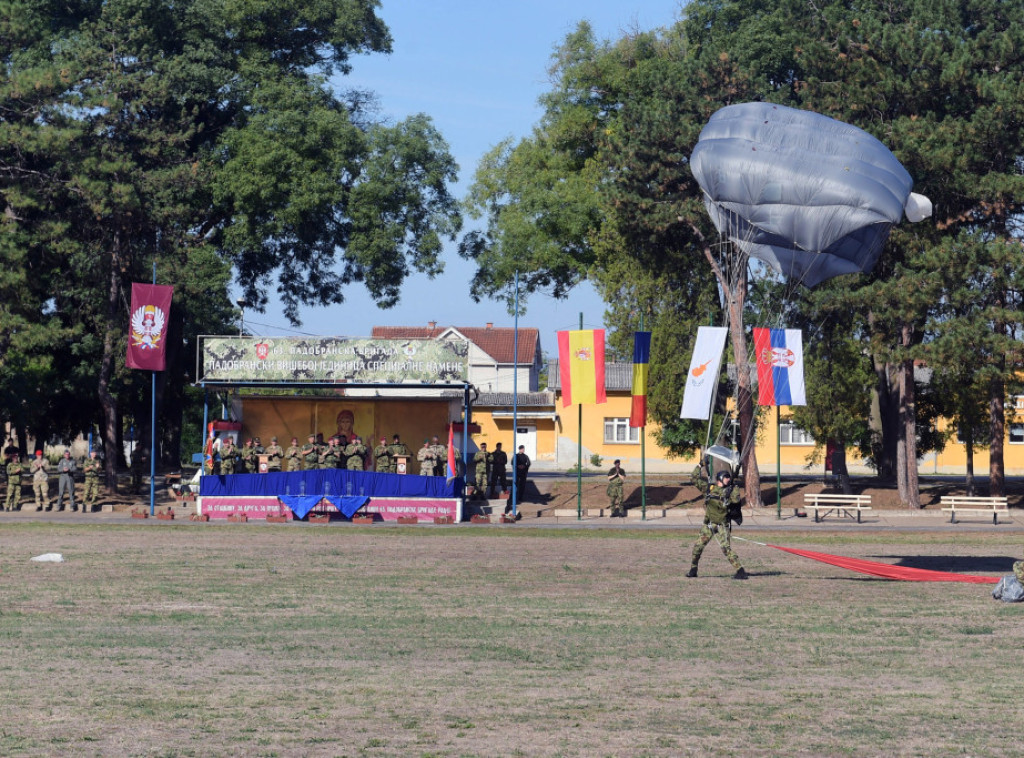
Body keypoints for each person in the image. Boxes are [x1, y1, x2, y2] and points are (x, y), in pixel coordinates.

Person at [688, 466, 747, 580]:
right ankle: (693, 569)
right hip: (709, 524)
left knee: (726, 549)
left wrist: (732, 489)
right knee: (698, 547)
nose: (728, 479)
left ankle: (740, 571)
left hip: (722, 525)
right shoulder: (709, 488)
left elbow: (736, 501)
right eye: (726, 477)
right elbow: (694, 478)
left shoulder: (731, 490)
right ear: (720, 478)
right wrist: (700, 465)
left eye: (729, 478)